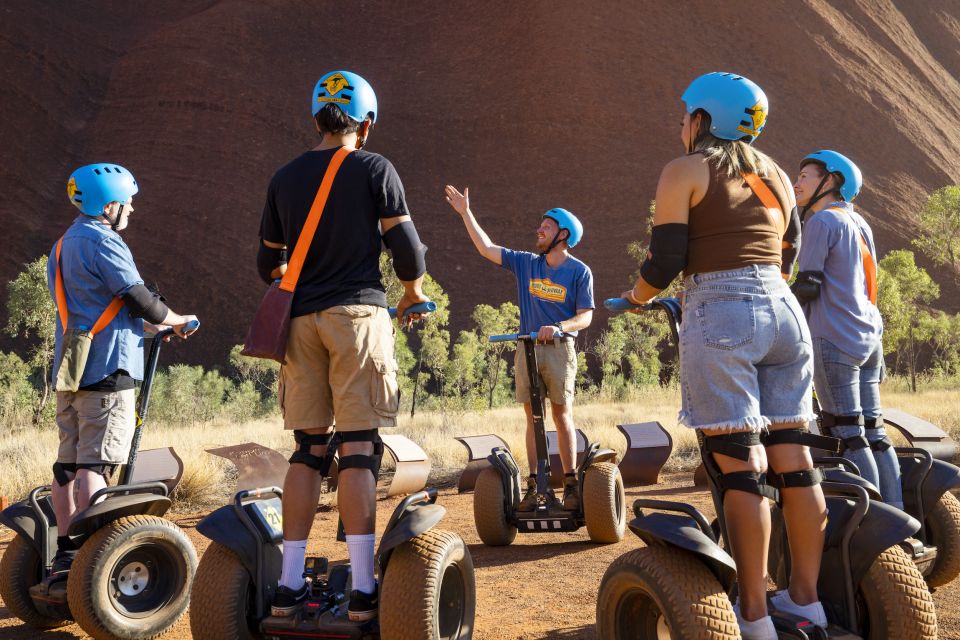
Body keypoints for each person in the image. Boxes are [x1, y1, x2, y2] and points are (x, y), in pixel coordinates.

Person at [619, 72, 826, 639]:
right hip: (784, 312)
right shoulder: (778, 175)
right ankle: (808, 603)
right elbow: (790, 252)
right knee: (793, 458)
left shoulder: (684, 170)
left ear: (704, 119)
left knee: (741, 467)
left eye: (685, 113)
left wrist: (636, 299)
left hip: (722, 305)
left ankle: (754, 615)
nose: (679, 123)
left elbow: (664, 261)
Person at [257, 70, 429, 622]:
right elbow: (407, 249)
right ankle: (361, 590)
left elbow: (268, 264)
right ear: (367, 123)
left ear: (316, 118)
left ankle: (286, 588)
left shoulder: (284, 178)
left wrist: (304, 279)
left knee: (308, 452)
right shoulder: (374, 167)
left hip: (300, 324)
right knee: (357, 448)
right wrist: (412, 293)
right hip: (357, 315)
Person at [39, 163, 197, 598]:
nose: (131, 209)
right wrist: (177, 319)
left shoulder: (63, 244)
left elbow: (96, 307)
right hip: (110, 368)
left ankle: (67, 552)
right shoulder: (105, 241)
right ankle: (94, 553)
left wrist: (152, 328)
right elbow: (137, 296)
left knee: (67, 463)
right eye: (127, 202)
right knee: (98, 464)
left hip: (73, 370)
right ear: (108, 205)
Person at [444, 187, 594, 512]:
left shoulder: (579, 271)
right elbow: (486, 249)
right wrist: (465, 213)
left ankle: (570, 483)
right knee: (532, 416)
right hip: (526, 348)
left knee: (561, 413)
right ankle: (536, 485)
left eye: (547, 226)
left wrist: (559, 327)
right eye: (540, 225)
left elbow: (586, 317)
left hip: (558, 349)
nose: (539, 230)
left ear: (563, 234)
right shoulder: (527, 263)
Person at [793, 150, 902, 509]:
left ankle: (876, 526)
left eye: (805, 176)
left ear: (832, 181)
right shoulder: (859, 224)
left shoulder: (822, 222)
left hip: (835, 337)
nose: (797, 182)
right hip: (869, 337)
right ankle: (896, 515)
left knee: (848, 435)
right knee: (875, 432)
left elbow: (808, 286)